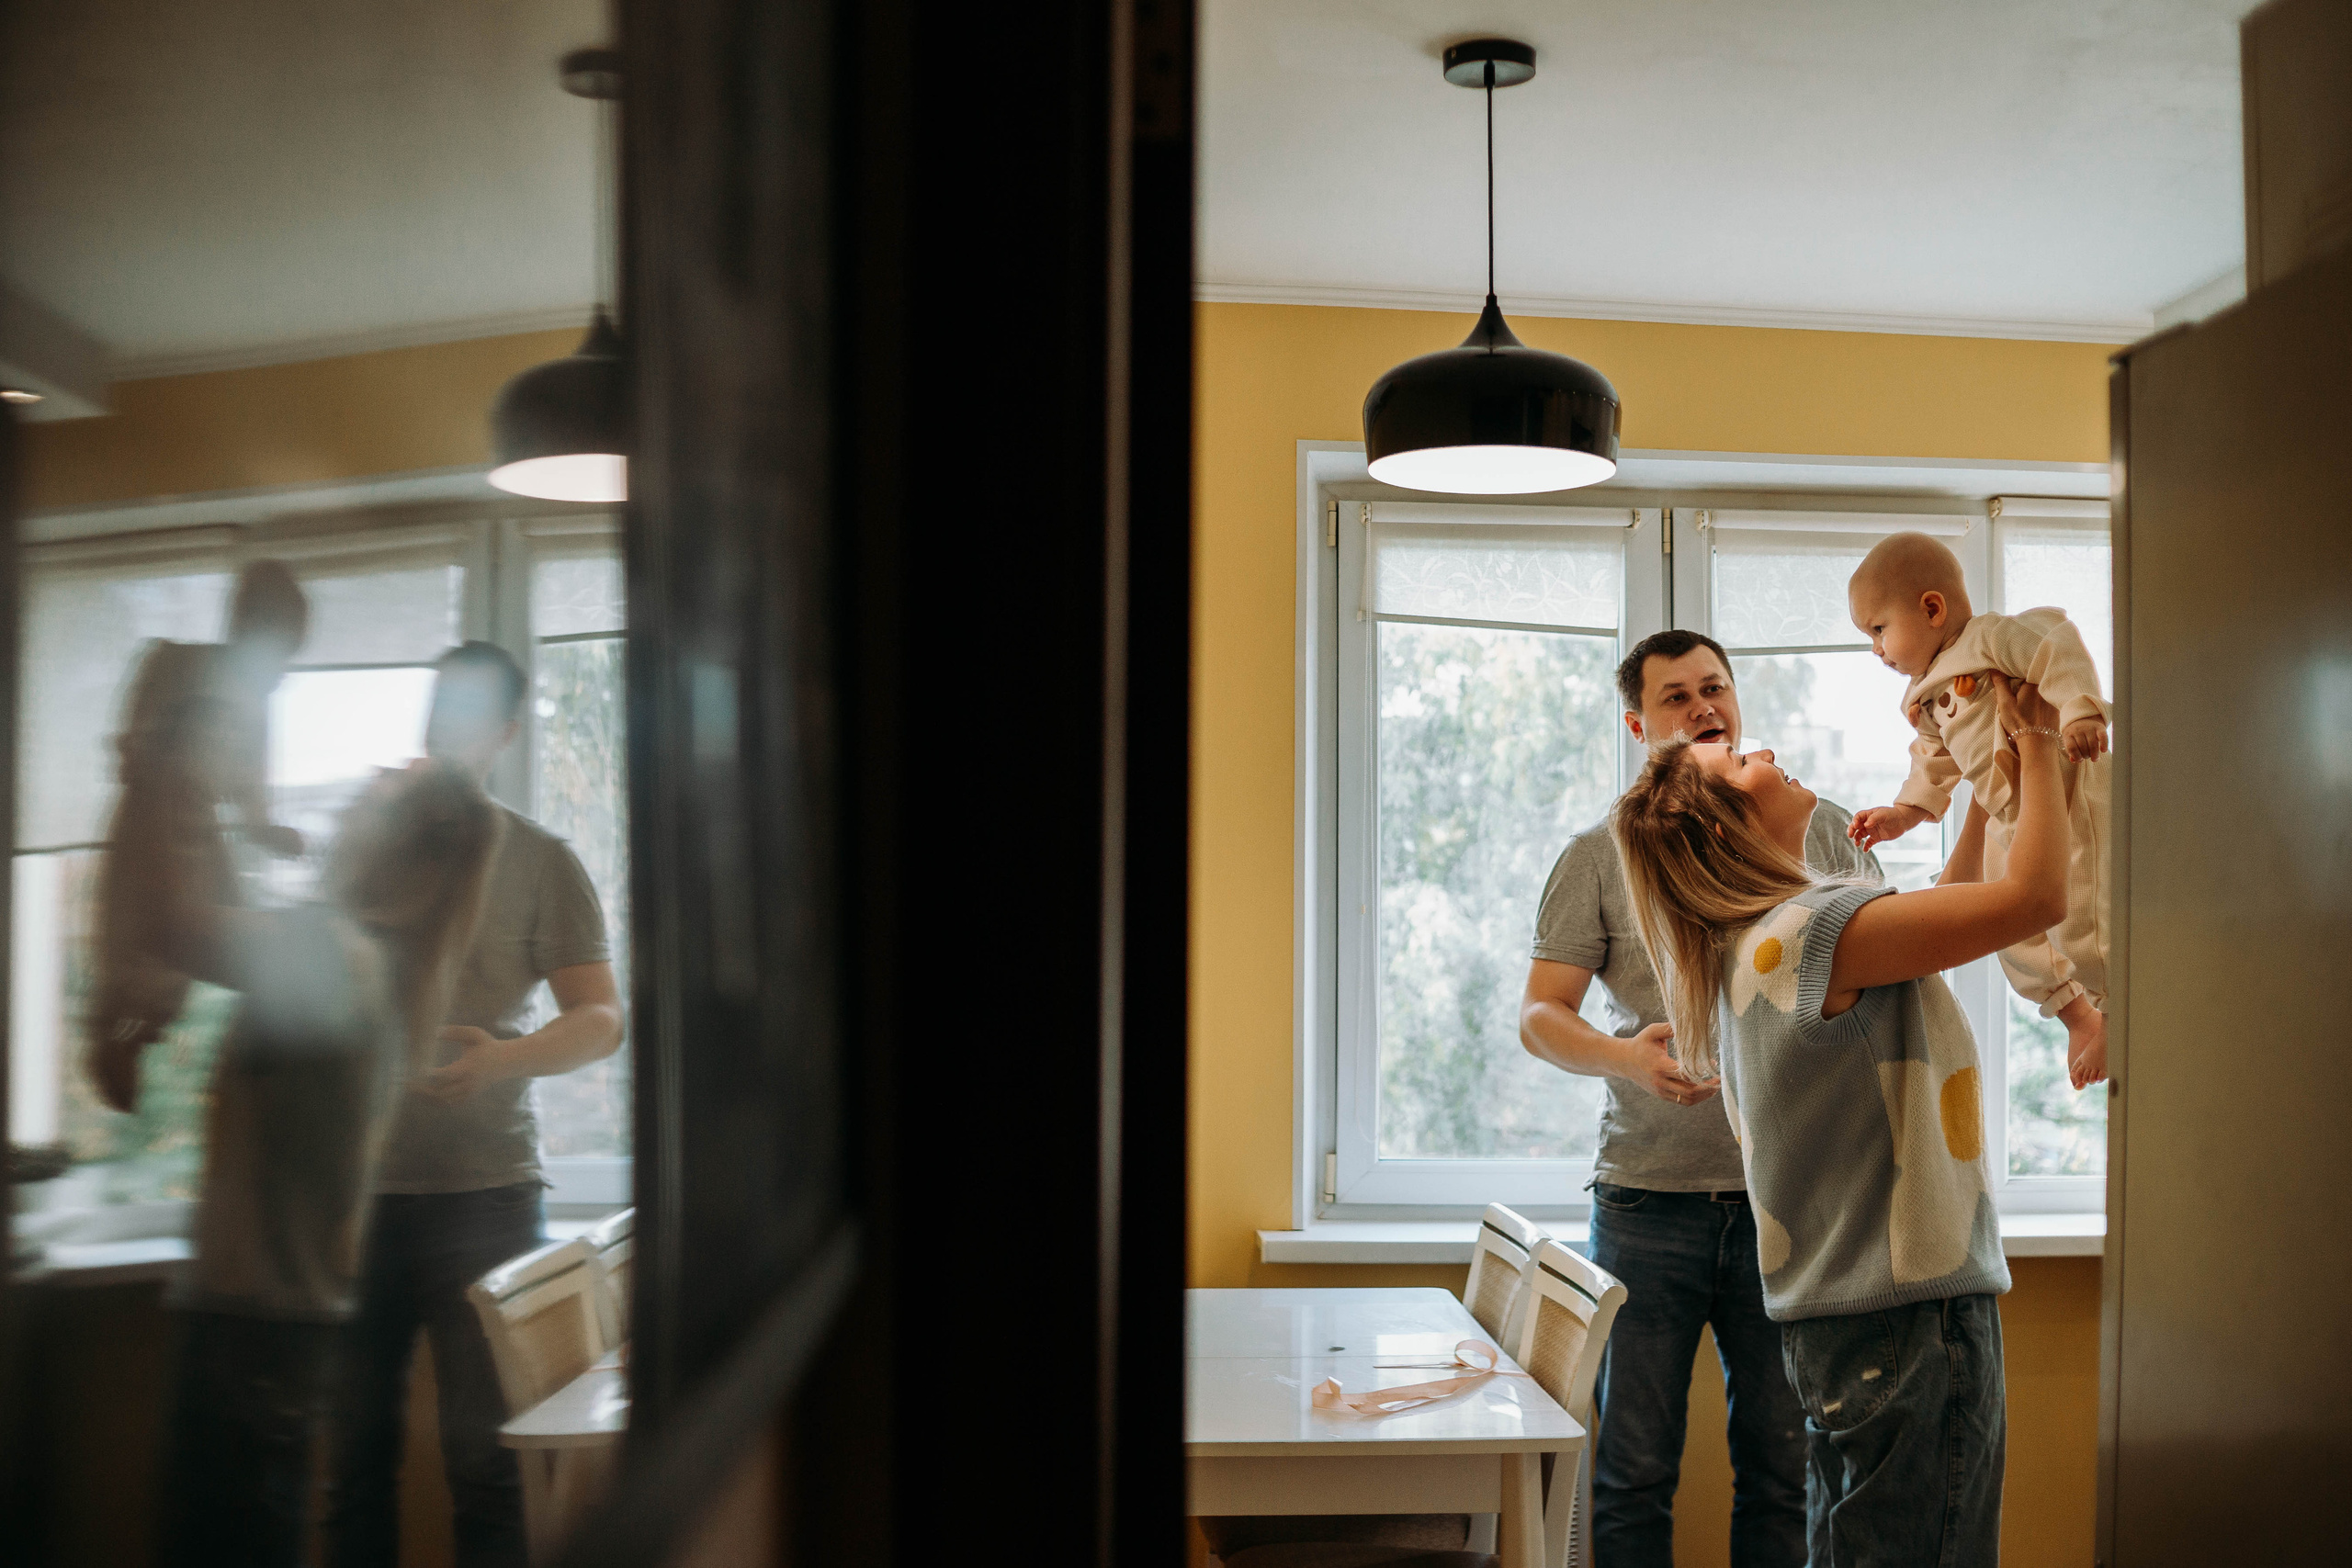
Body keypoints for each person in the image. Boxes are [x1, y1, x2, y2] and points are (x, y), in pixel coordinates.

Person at [1608, 674, 2066, 1567]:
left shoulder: (1759, 946)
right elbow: (2035, 899)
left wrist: (1983, 779)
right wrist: (2041, 742)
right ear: (1726, 829)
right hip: (1908, 1312)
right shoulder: (1814, 929)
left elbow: (1943, 912)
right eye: (1742, 763)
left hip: (1846, 1321)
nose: (1765, 751)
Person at [1519, 628, 1879, 1568]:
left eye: (1713, 687)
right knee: (1631, 1472)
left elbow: (1884, 986)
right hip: (1646, 1205)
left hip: (1791, 1203)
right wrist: (1625, 1059)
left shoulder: (1821, 826)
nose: (1702, 707)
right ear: (1638, 726)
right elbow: (1539, 1017)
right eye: (1674, 697)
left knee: (1785, 1468)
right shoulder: (1598, 854)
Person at [156, 761, 503, 1568]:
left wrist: (176, 764)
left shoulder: (332, 955)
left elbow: (171, 926)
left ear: (399, 851)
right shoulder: (366, 960)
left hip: (252, 1331)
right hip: (271, 1330)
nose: (343, 813)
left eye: (365, 803)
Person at [325, 641, 625, 1568]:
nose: (444, 725)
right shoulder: (364, 843)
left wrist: (505, 1061)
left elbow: (603, 1018)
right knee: (348, 1463)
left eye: (467, 711)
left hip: (484, 1196)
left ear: (503, 733)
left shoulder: (540, 859)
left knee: (490, 1466)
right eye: (437, 704)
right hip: (352, 1195)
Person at [1843, 531, 2112, 1087]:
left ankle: (2115, 1007)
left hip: (2071, 791)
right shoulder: (1925, 697)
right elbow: (1933, 761)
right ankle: (2075, 1015)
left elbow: (2055, 647)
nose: (1876, 649)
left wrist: (2080, 711)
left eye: (1879, 629)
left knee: (2083, 911)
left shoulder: (1990, 638)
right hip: (2011, 816)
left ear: (1932, 608)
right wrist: (1905, 812)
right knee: (2009, 928)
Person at [89, 558, 310, 1113]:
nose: (276, 664)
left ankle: (143, 1038)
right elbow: (130, 749)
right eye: (270, 641)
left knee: (203, 952)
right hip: (151, 824)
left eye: (285, 652)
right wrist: (166, 761)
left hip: (200, 837)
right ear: (240, 622)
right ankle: (114, 1037)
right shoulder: (174, 664)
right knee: (136, 947)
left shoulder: (258, 704)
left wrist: (273, 833)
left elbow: (252, 800)